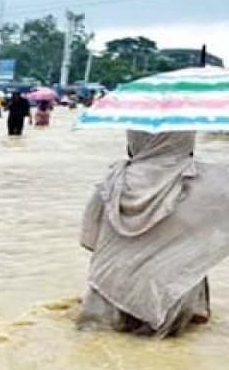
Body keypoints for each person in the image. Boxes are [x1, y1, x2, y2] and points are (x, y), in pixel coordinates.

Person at [78, 131, 229, 336]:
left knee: (96, 344)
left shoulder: (113, 181)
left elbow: (89, 239)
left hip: (108, 292)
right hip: (172, 298)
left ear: (134, 139)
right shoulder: (207, 182)